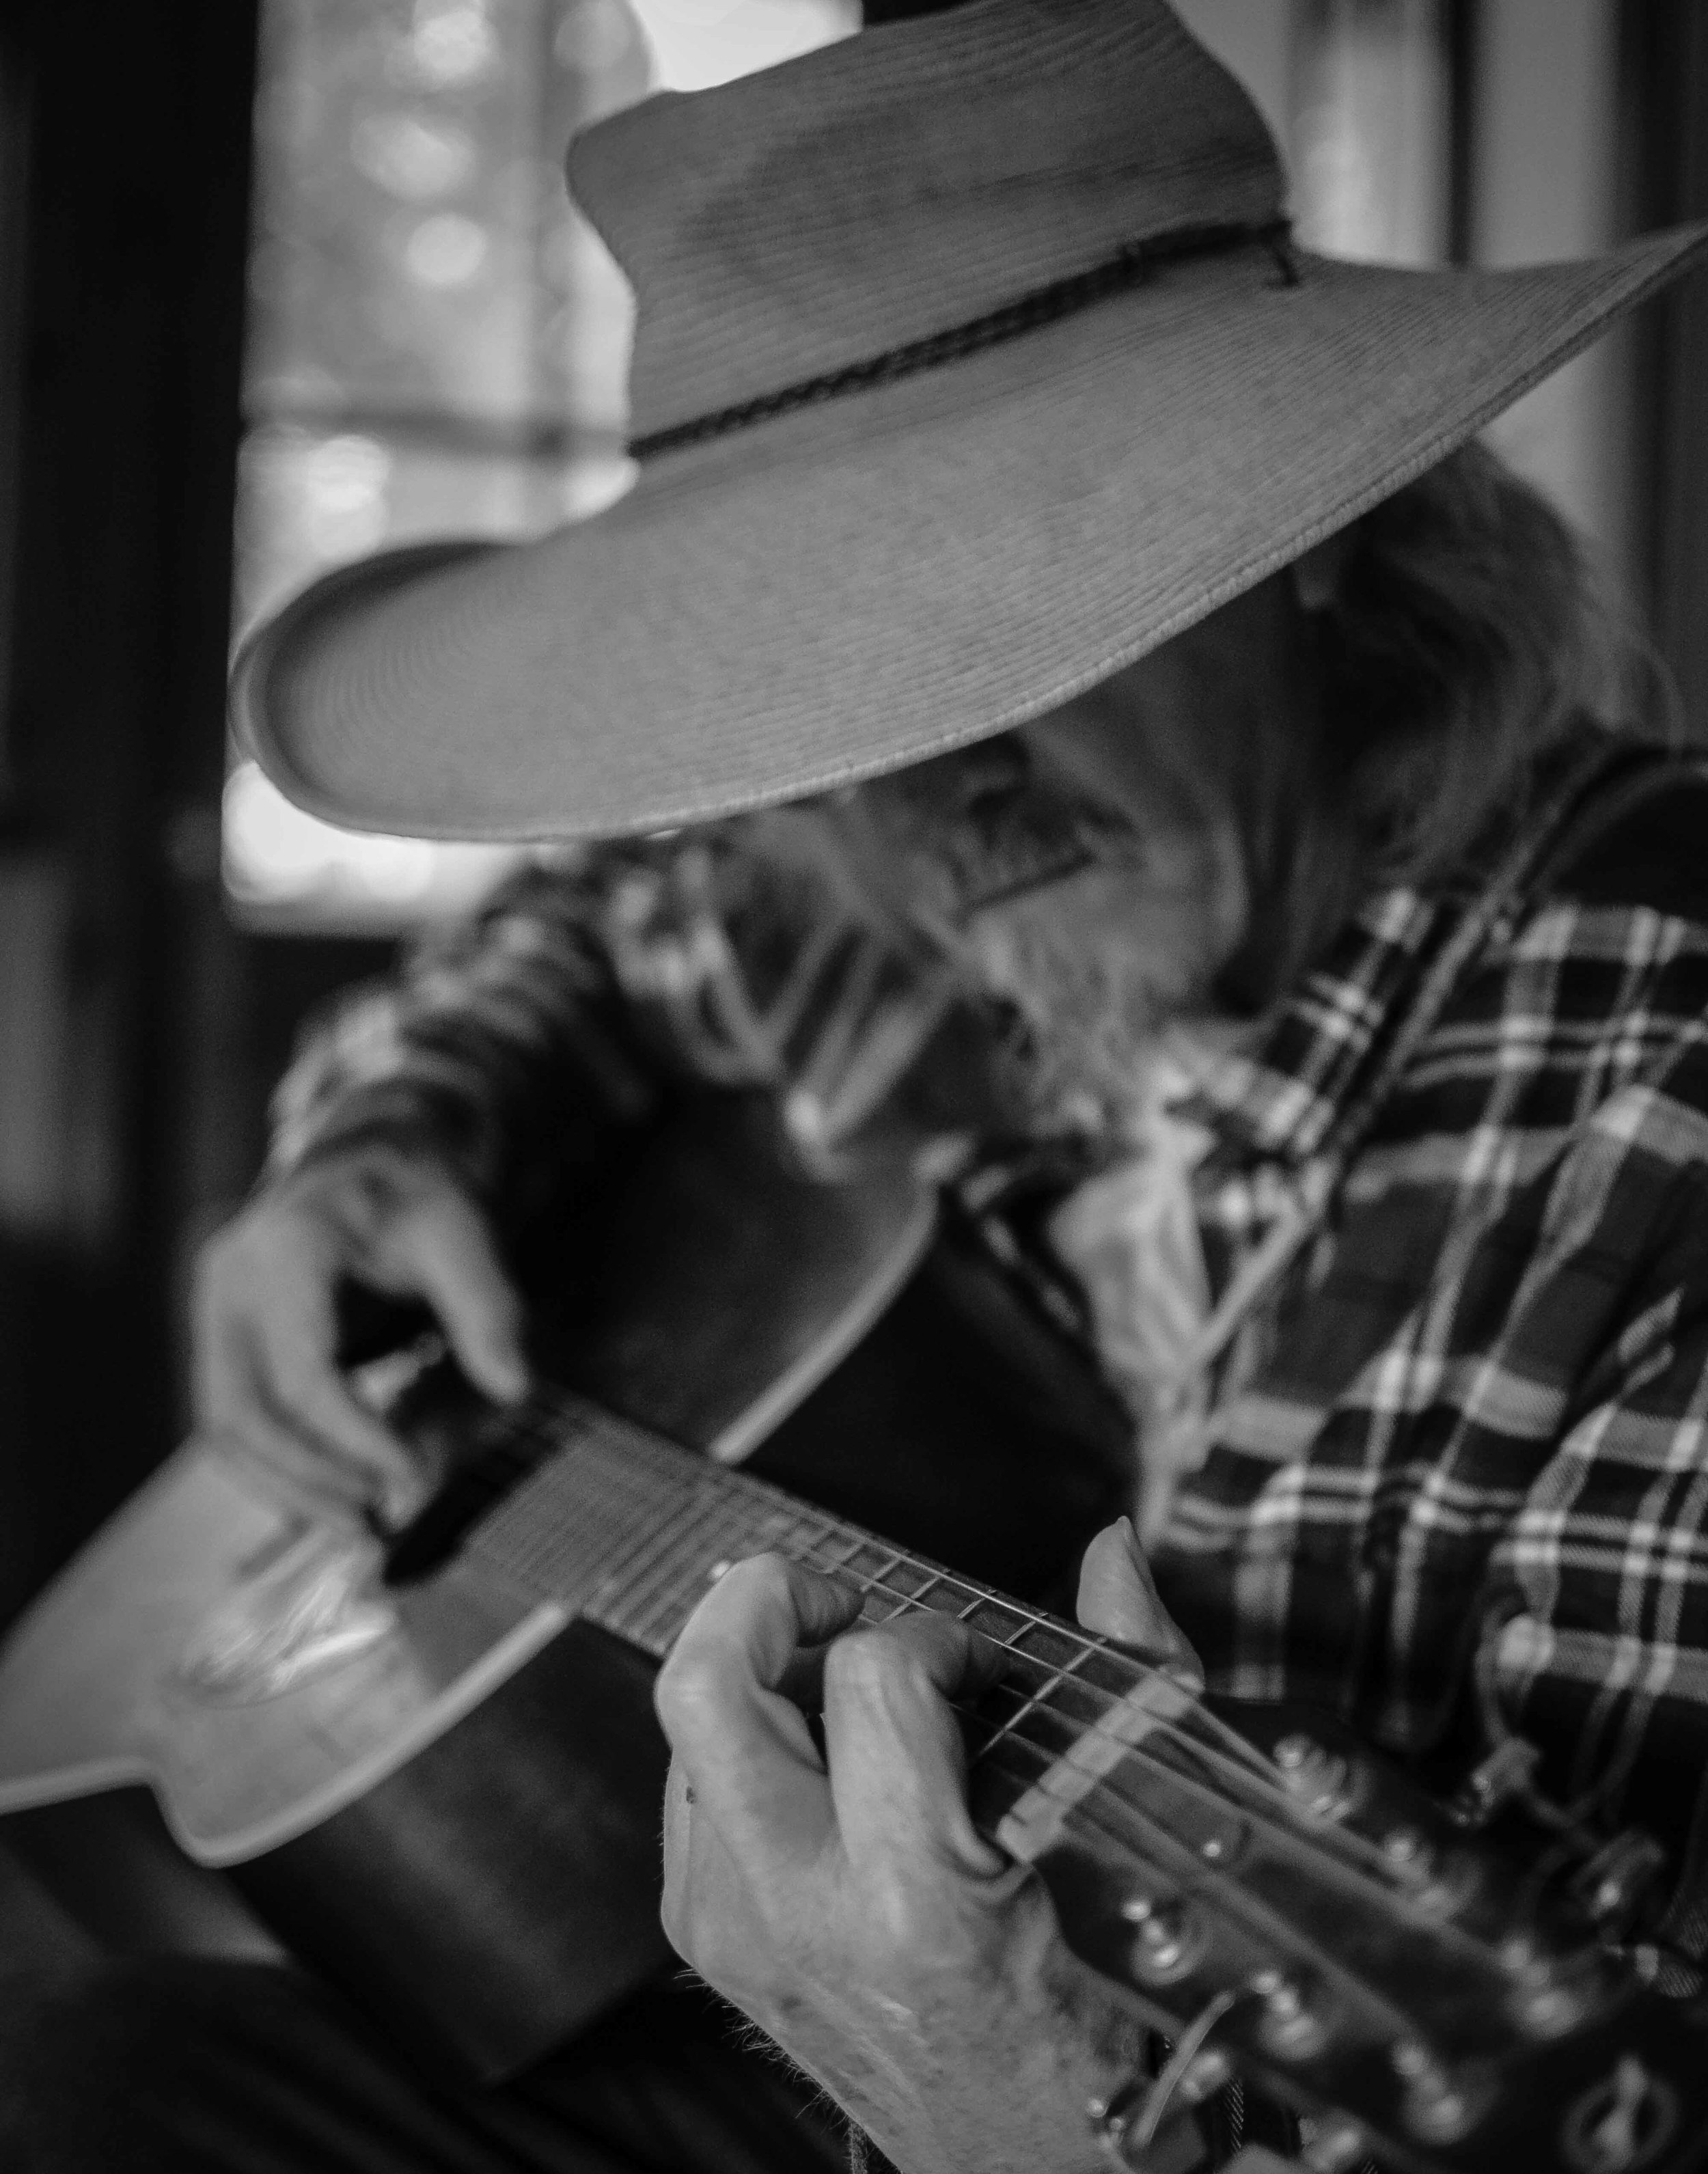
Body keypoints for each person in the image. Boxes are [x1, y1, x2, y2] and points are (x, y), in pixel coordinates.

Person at [6, 1, 1708, 2168]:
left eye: (1012, 641)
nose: (936, 807)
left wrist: (1008, 2110)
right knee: (88, 2068)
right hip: (867, 2019)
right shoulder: (883, 888)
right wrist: (374, 1150)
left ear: (1307, 530)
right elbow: (589, 937)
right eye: (820, 700)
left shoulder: (1651, 1092)